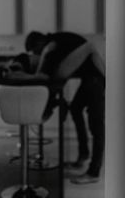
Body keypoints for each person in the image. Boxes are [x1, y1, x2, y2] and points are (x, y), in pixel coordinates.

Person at [24, 31, 105, 184]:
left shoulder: (51, 45)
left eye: (36, 51)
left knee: (97, 125)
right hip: (90, 77)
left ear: (39, 43)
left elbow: (46, 73)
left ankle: (94, 172)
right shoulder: (57, 43)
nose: (37, 54)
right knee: (75, 109)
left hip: (95, 79)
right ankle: (83, 156)